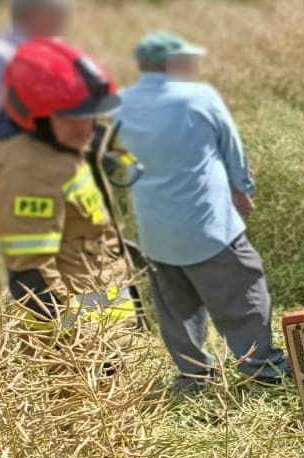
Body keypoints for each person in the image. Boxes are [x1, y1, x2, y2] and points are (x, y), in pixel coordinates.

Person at [118, 31, 288, 391]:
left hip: (155, 230)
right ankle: (262, 369)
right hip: (207, 225)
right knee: (244, 290)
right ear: (173, 63)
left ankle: (194, 378)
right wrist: (243, 190)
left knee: (177, 309)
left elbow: (114, 156)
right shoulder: (198, 97)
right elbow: (232, 146)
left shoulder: (121, 103)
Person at [0, 37, 138, 330]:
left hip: (108, 324)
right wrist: (77, 346)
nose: (84, 127)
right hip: (84, 346)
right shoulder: (27, 174)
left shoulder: (61, 147)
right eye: (70, 117)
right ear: (34, 116)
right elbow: (33, 277)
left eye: (89, 114)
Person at [0, 0, 73, 155]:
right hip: (12, 159)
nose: (63, 18)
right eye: (56, 12)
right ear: (32, 15)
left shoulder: (55, 49)